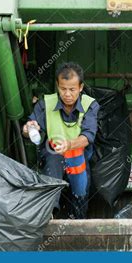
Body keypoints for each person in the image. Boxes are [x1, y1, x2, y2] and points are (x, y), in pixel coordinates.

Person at [22, 62, 99, 219]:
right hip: (53, 155)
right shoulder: (46, 104)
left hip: (79, 157)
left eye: (72, 89)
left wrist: (69, 145)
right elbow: (29, 130)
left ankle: (78, 221)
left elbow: (88, 136)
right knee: (54, 158)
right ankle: (49, 213)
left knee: (80, 193)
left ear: (81, 87)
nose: (67, 94)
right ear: (57, 85)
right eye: (63, 89)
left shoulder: (90, 105)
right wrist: (28, 129)